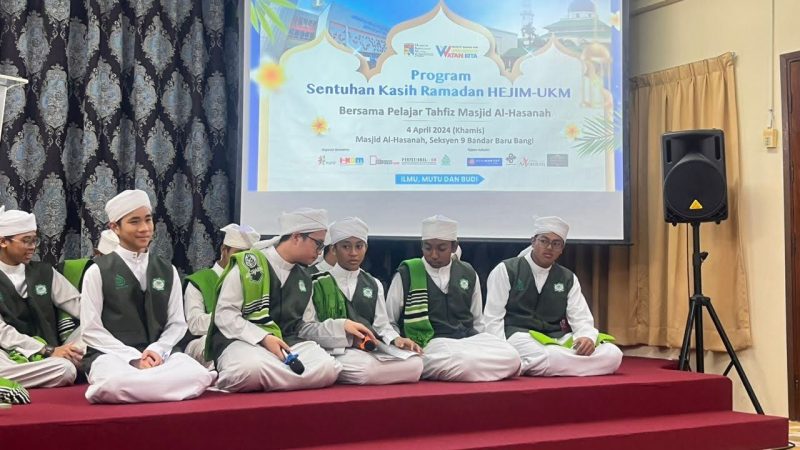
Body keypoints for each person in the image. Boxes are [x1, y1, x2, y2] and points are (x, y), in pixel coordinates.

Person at [80, 190, 216, 403]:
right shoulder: (97, 271)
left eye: (148, 219)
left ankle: (141, 388)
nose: (144, 228)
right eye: (134, 222)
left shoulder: (167, 269)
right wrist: (133, 358)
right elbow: (91, 330)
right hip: (112, 356)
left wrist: (156, 350)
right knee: (114, 381)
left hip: (159, 356)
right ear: (115, 227)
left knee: (197, 374)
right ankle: (159, 387)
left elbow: (177, 323)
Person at [207, 208, 341, 392]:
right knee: (250, 369)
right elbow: (225, 314)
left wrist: (341, 327)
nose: (319, 253)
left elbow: (303, 326)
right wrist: (263, 338)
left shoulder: (304, 279)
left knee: (328, 367)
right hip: (243, 342)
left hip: (287, 345)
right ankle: (289, 376)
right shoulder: (249, 264)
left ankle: (272, 377)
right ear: (296, 237)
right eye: (318, 244)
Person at [386, 215, 520, 382]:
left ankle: (470, 371)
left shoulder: (468, 272)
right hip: (431, 343)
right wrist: (399, 343)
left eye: (441, 248)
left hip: (467, 341)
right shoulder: (407, 273)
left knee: (513, 356)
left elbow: (478, 321)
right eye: (427, 248)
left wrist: (483, 345)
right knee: (465, 362)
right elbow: (389, 321)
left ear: (454, 246)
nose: (433, 255)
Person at [483, 216, 622, 376]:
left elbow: (581, 317)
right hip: (521, 337)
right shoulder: (507, 270)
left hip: (557, 339)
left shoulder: (567, 278)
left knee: (613, 354)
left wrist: (586, 337)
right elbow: (493, 317)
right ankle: (558, 364)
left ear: (562, 249)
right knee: (551, 356)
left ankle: (535, 365)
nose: (549, 247)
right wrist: (502, 351)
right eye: (544, 241)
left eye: (556, 244)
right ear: (533, 241)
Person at [303, 217, 423, 384]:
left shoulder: (373, 283)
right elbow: (306, 329)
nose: (353, 253)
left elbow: (382, 326)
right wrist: (342, 331)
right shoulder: (314, 282)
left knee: (416, 364)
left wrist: (396, 339)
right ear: (334, 249)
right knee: (366, 369)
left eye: (359, 246)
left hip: (369, 348)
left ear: (366, 248)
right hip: (335, 349)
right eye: (346, 247)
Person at [0, 206, 82, 388]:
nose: (32, 247)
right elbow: (2, 333)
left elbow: (80, 306)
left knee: (88, 335)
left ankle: (11, 381)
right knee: (66, 370)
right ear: (3, 242)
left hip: (53, 357)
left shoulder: (44, 272)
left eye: (34, 240)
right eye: (26, 241)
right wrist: (45, 350)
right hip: (8, 355)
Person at [183, 223, 260, 367]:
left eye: (248, 256)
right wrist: (231, 318)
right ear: (224, 250)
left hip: (245, 338)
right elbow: (195, 324)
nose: (243, 260)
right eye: (238, 253)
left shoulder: (254, 282)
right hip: (204, 340)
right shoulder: (199, 281)